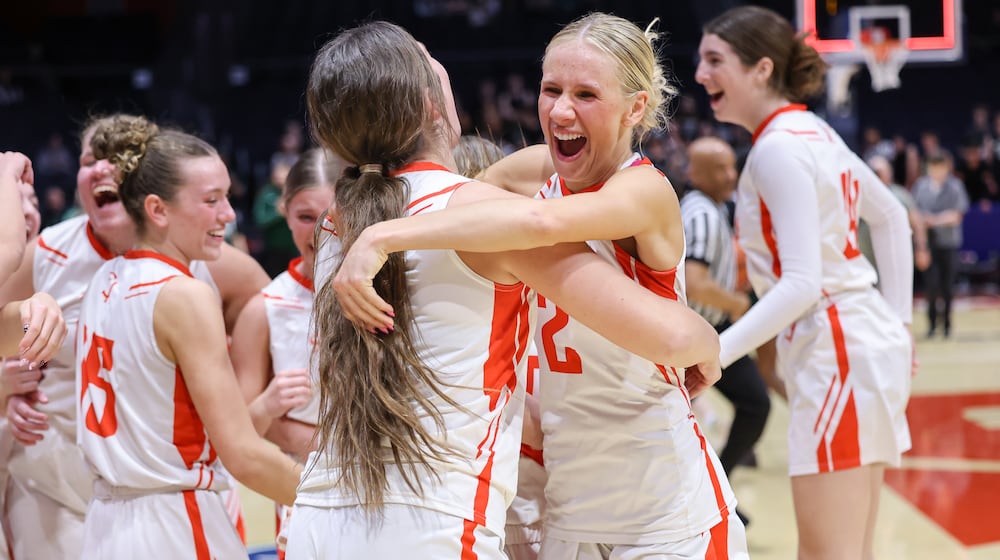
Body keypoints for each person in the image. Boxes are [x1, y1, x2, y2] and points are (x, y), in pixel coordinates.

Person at [286, 20, 727, 559]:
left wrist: (384, 232)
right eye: (550, 90)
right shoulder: (519, 183)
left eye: (586, 94)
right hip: (559, 496)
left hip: (657, 489)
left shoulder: (342, 221)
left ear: (635, 108)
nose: (561, 110)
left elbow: (513, 219)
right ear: (427, 104)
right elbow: (464, 200)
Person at [696, 6, 914, 559]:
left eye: (714, 60)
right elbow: (888, 217)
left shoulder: (778, 147)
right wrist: (901, 323)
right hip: (855, 340)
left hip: (835, 346)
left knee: (827, 553)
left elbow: (802, 283)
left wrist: (714, 353)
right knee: (847, 550)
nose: (700, 74)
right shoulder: (810, 131)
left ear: (761, 69)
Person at [0, 114, 270, 559]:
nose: (102, 168)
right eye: (89, 159)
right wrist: (7, 391)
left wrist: (243, 389)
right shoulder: (46, 253)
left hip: (171, 483)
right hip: (59, 482)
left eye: (114, 158)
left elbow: (270, 307)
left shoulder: (199, 255)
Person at [75, 114, 301, 559]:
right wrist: (340, 499)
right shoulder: (185, 296)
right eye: (212, 200)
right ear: (158, 209)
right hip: (174, 522)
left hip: (104, 527)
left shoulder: (104, 279)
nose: (229, 215)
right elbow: (242, 454)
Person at [230, 147, 343, 554]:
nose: (318, 232)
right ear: (284, 211)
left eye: (331, 216)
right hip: (300, 495)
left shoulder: (392, 290)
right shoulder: (265, 308)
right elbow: (239, 433)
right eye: (305, 217)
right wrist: (269, 403)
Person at [680, 136, 771, 525]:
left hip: (712, 328)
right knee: (753, 404)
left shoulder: (713, 208)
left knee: (756, 403)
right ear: (694, 173)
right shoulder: (699, 212)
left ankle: (718, 486)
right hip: (693, 334)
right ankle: (711, 491)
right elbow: (695, 280)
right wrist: (736, 303)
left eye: (731, 166)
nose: (730, 174)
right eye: (719, 169)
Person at [912, 152, 970, 338]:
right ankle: (931, 324)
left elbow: (957, 215)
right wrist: (921, 241)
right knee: (930, 285)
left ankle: (946, 325)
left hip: (949, 243)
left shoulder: (954, 186)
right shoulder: (921, 187)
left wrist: (934, 220)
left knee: (947, 286)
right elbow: (915, 213)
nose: (937, 171)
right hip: (929, 243)